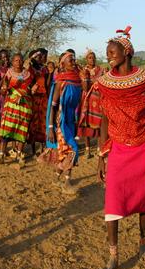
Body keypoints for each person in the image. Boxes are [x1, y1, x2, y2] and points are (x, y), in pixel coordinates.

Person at [95, 26, 145, 269]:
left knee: (143, 199)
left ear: (126, 52)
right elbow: (104, 119)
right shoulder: (105, 83)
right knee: (113, 201)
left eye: (112, 52)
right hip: (118, 148)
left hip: (142, 147)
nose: (109, 56)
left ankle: (143, 243)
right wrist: (101, 156)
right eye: (107, 53)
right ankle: (114, 254)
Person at [39, 51, 83, 194]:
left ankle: (57, 178)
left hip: (72, 120)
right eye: (70, 59)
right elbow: (53, 106)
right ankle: (67, 182)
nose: (73, 61)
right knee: (71, 149)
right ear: (62, 63)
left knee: (65, 151)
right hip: (61, 121)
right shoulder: (61, 82)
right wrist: (51, 128)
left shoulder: (77, 80)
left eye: (74, 59)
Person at [0, 53, 35, 168]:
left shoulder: (28, 75)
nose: (18, 62)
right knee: (6, 130)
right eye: (16, 60)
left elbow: (32, 89)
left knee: (22, 131)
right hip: (11, 106)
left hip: (24, 106)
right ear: (12, 62)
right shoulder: (8, 74)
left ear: (23, 62)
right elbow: (3, 91)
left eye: (20, 60)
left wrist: (26, 91)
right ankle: (2, 155)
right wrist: (5, 89)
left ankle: (19, 156)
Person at [78, 49, 104, 158]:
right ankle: (88, 149)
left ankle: (99, 149)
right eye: (89, 57)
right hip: (86, 100)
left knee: (99, 123)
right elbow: (85, 87)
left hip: (98, 99)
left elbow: (103, 84)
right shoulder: (83, 71)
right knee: (86, 123)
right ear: (86, 59)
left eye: (93, 57)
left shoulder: (101, 70)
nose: (92, 59)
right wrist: (89, 78)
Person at [28, 48, 49, 156]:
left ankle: (42, 147)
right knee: (34, 122)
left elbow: (47, 83)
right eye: (37, 57)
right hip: (34, 97)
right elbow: (27, 82)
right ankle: (32, 148)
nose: (40, 59)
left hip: (44, 97)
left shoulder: (45, 69)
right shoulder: (30, 69)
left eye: (40, 57)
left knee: (43, 122)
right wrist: (32, 88)